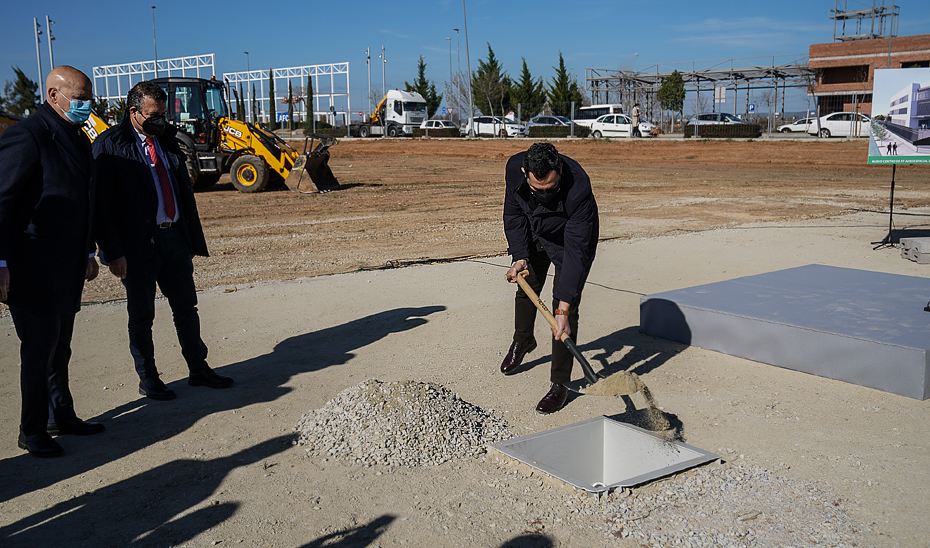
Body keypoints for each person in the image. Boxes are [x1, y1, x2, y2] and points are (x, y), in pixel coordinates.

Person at [93, 80, 233, 401]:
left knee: (187, 307)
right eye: (154, 115)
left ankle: (198, 368)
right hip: (138, 245)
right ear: (134, 112)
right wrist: (112, 251)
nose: (162, 120)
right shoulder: (110, 145)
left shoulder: (168, 140)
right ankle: (149, 378)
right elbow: (100, 206)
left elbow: (183, 193)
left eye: (164, 114)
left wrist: (189, 240)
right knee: (142, 315)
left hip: (174, 240)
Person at [0, 65, 105, 457]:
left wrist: (89, 252)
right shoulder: (26, 136)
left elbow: (85, 202)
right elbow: (2, 203)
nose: (85, 105)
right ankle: (32, 429)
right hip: (31, 266)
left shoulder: (76, 137)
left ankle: (62, 415)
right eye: (78, 98)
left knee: (60, 346)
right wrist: (0, 262)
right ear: (53, 96)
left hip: (66, 264)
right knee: (39, 348)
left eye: (87, 97)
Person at [500, 142, 599, 414]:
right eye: (537, 190)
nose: (544, 194)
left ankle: (560, 384)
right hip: (535, 231)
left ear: (560, 170)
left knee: (563, 311)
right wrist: (520, 254)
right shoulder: (513, 170)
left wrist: (564, 308)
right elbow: (513, 214)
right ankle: (523, 340)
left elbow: (577, 254)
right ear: (524, 172)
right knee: (527, 285)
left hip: (568, 239)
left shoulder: (578, 188)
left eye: (551, 189)